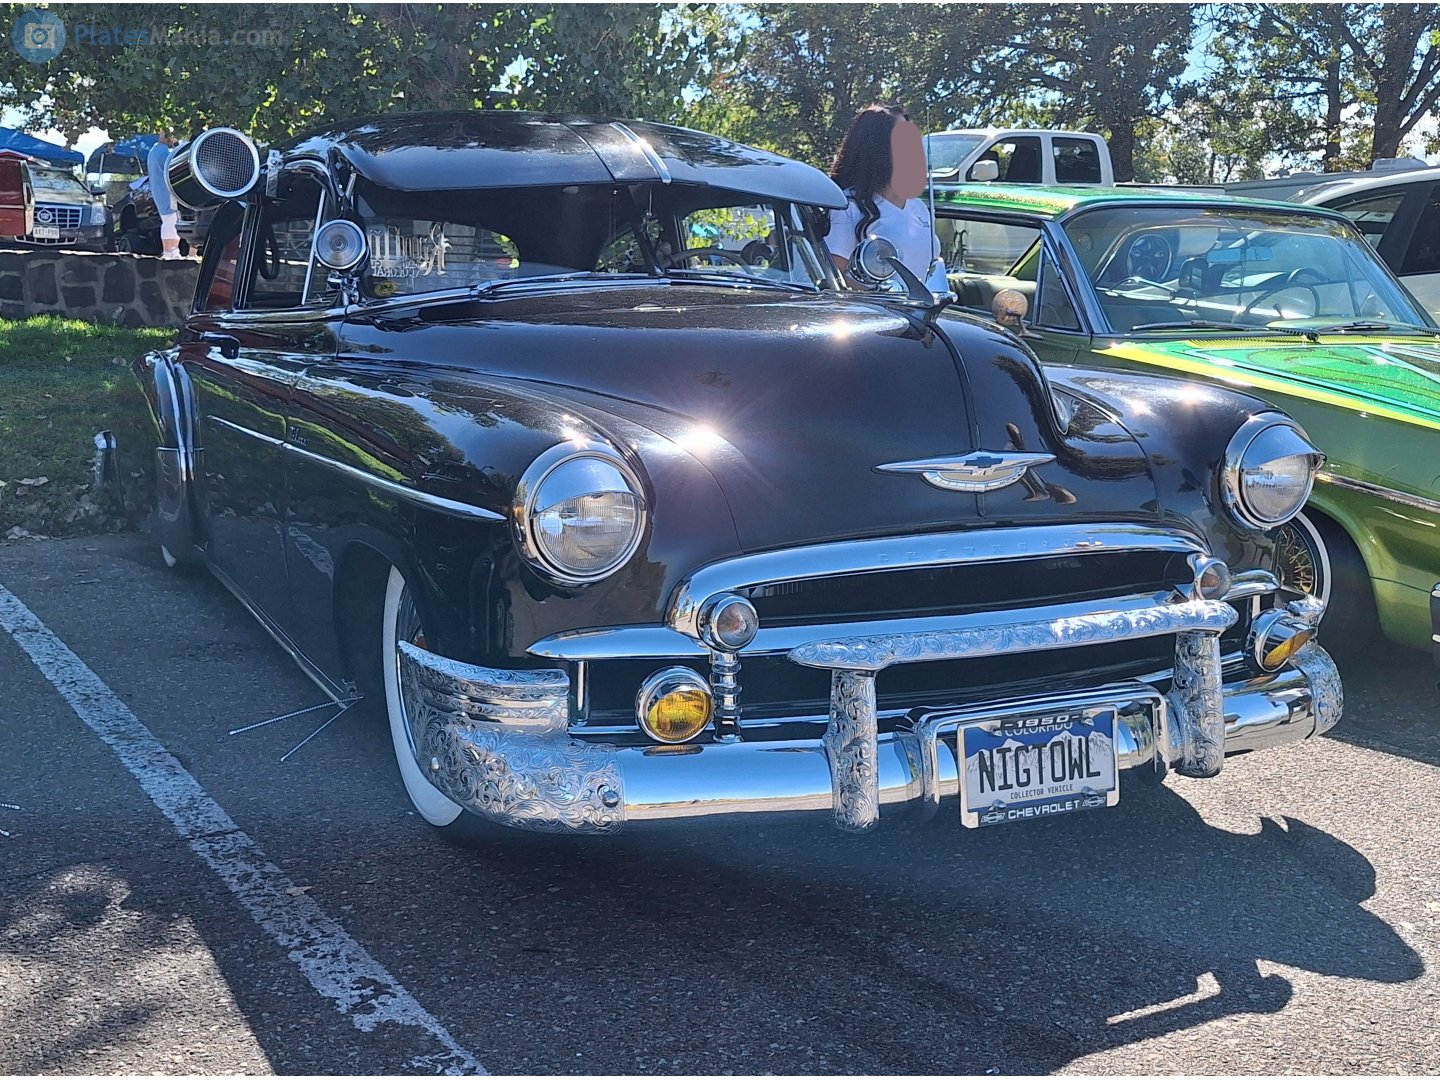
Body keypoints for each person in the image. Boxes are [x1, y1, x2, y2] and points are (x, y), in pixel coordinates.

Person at [826, 104, 939, 283]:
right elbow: (833, 277)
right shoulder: (847, 206)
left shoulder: (919, 207)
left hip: (923, 311)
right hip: (874, 311)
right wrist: (885, 294)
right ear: (876, 147)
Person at [145, 130, 182, 260]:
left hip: (158, 190)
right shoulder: (166, 153)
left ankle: (171, 250)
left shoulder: (154, 151)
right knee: (171, 219)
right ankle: (170, 250)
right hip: (167, 191)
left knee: (169, 219)